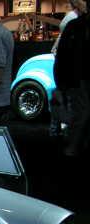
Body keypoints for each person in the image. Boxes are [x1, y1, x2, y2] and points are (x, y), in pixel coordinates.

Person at [54, 11, 90, 156]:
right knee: (82, 114)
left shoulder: (75, 25)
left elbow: (61, 56)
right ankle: (73, 146)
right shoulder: (75, 25)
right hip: (78, 80)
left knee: (81, 114)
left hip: (78, 80)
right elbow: (62, 56)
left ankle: (73, 146)